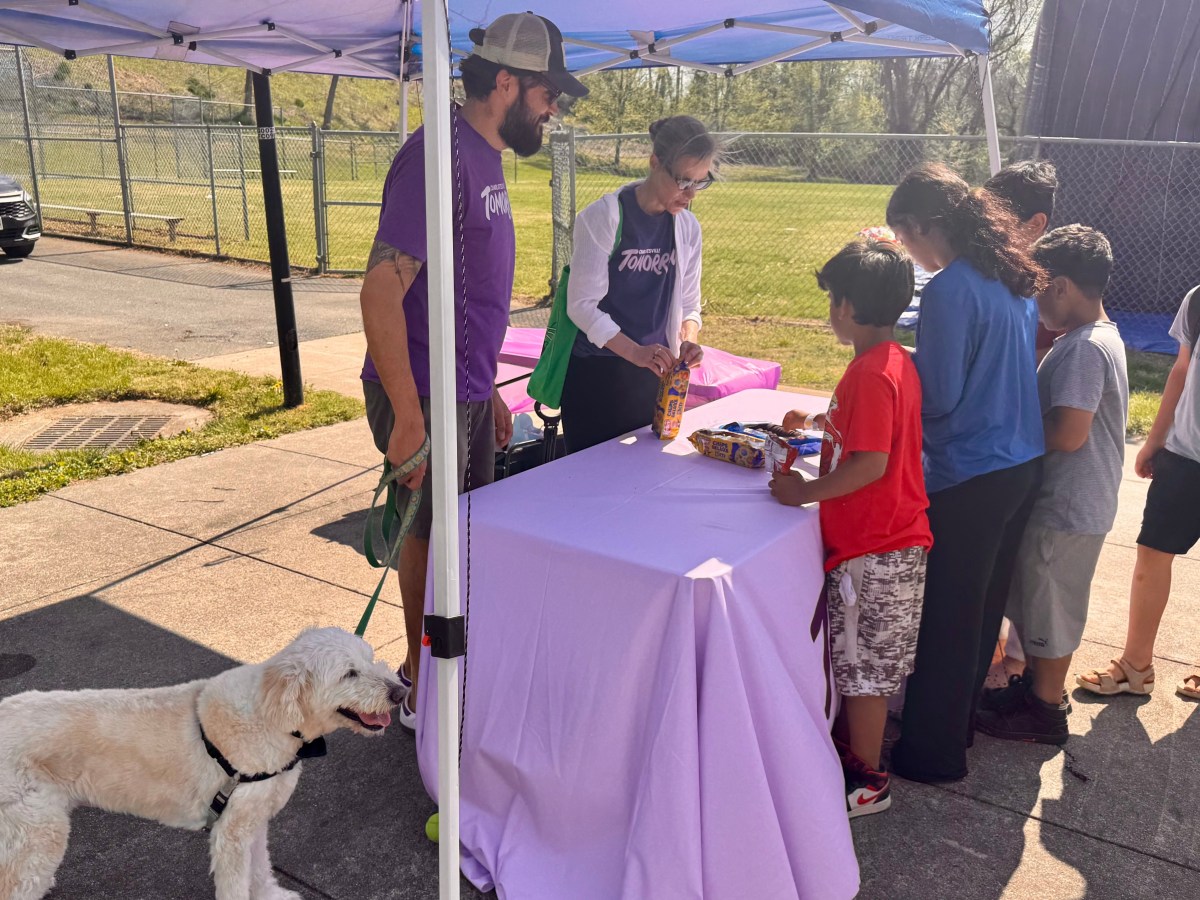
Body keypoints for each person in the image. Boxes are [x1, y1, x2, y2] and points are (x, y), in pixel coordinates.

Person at [358, 12, 588, 728]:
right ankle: (421, 688)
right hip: (420, 394)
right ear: (509, 83)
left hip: (458, 389)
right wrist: (408, 416)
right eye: (550, 94)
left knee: (463, 538)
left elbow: (458, 291)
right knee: (427, 538)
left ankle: (446, 667)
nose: (554, 109)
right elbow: (380, 290)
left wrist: (483, 384)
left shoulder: (481, 156)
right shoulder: (439, 156)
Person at [884, 163, 1047, 783]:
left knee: (949, 615)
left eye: (905, 237)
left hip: (972, 471)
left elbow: (943, 395)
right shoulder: (1011, 276)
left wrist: (894, 366)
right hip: (1018, 463)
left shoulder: (951, 288)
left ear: (926, 226)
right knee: (979, 612)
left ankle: (932, 751)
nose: (908, 252)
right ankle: (959, 726)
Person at [770, 237, 932, 818]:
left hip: (876, 549)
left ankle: (865, 781)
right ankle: (855, 759)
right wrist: (819, 418)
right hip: (889, 544)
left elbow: (871, 463)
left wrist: (803, 493)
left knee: (864, 671)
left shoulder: (869, 373)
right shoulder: (892, 361)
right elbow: (868, 433)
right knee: (865, 662)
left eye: (833, 299)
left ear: (845, 306)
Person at [975, 226, 1127, 744]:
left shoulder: (1084, 348)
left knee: (1051, 610)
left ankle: (1043, 712)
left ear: (1060, 285)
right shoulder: (1098, 336)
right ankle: (1037, 689)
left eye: (1040, 287)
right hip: (1074, 504)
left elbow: (1068, 432)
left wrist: (1004, 426)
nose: (1036, 299)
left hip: (1068, 508)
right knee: (1044, 601)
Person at [1075, 282, 1200, 701]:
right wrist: (1155, 440)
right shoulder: (1197, 299)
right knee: (1151, 556)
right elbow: (1182, 369)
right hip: (1185, 456)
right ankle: (1135, 666)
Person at [560, 116, 714, 453]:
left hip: (654, 376)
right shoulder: (604, 216)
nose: (691, 195)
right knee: (590, 487)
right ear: (654, 163)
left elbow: (690, 303)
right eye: (683, 180)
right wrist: (636, 353)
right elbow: (581, 306)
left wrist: (689, 341)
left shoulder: (688, 227)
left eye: (701, 183)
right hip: (598, 375)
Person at [984, 160, 1060, 362]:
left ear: (1035, 224)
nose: (984, 231)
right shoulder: (988, 269)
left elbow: (1066, 349)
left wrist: (1003, 364)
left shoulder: (1056, 279)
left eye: (998, 223)